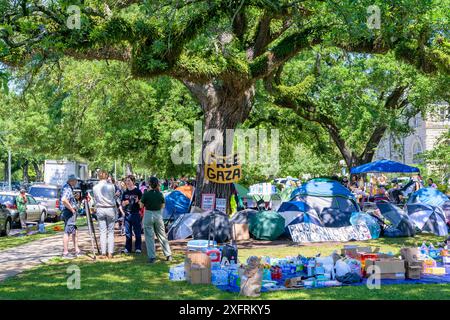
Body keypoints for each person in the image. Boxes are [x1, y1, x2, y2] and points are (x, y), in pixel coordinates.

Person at [139, 177, 172, 263]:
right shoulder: (160, 194)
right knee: (162, 235)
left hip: (148, 214)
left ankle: (152, 257)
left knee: (149, 236)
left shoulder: (146, 194)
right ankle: (168, 254)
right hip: (158, 214)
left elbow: (141, 206)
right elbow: (163, 206)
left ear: (149, 184)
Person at [93, 170, 117, 259]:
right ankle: (110, 252)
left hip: (100, 209)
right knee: (110, 232)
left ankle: (103, 252)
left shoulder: (95, 187)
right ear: (107, 176)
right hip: (110, 208)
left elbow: (95, 199)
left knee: (102, 231)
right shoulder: (111, 186)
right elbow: (113, 196)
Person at [60, 174, 81, 258]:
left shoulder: (67, 187)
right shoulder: (67, 188)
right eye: (75, 180)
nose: (76, 182)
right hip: (68, 212)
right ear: (71, 181)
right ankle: (65, 252)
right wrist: (72, 209)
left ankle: (76, 249)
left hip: (67, 212)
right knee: (67, 232)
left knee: (74, 230)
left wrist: (75, 197)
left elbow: (67, 199)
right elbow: (64, 200)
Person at [121, 175, 143, 254]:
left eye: (129, 180)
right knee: (128, 233)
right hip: (127, 214)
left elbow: (142, 205)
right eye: (126, 181)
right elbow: (122, 204)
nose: (127, 182)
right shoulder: (125, 192)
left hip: (135, 213)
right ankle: (128, 248)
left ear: (133, 181)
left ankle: (138, 248)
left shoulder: (138, 191)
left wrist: (138, 201)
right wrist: (124, 203)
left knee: (137, 232)